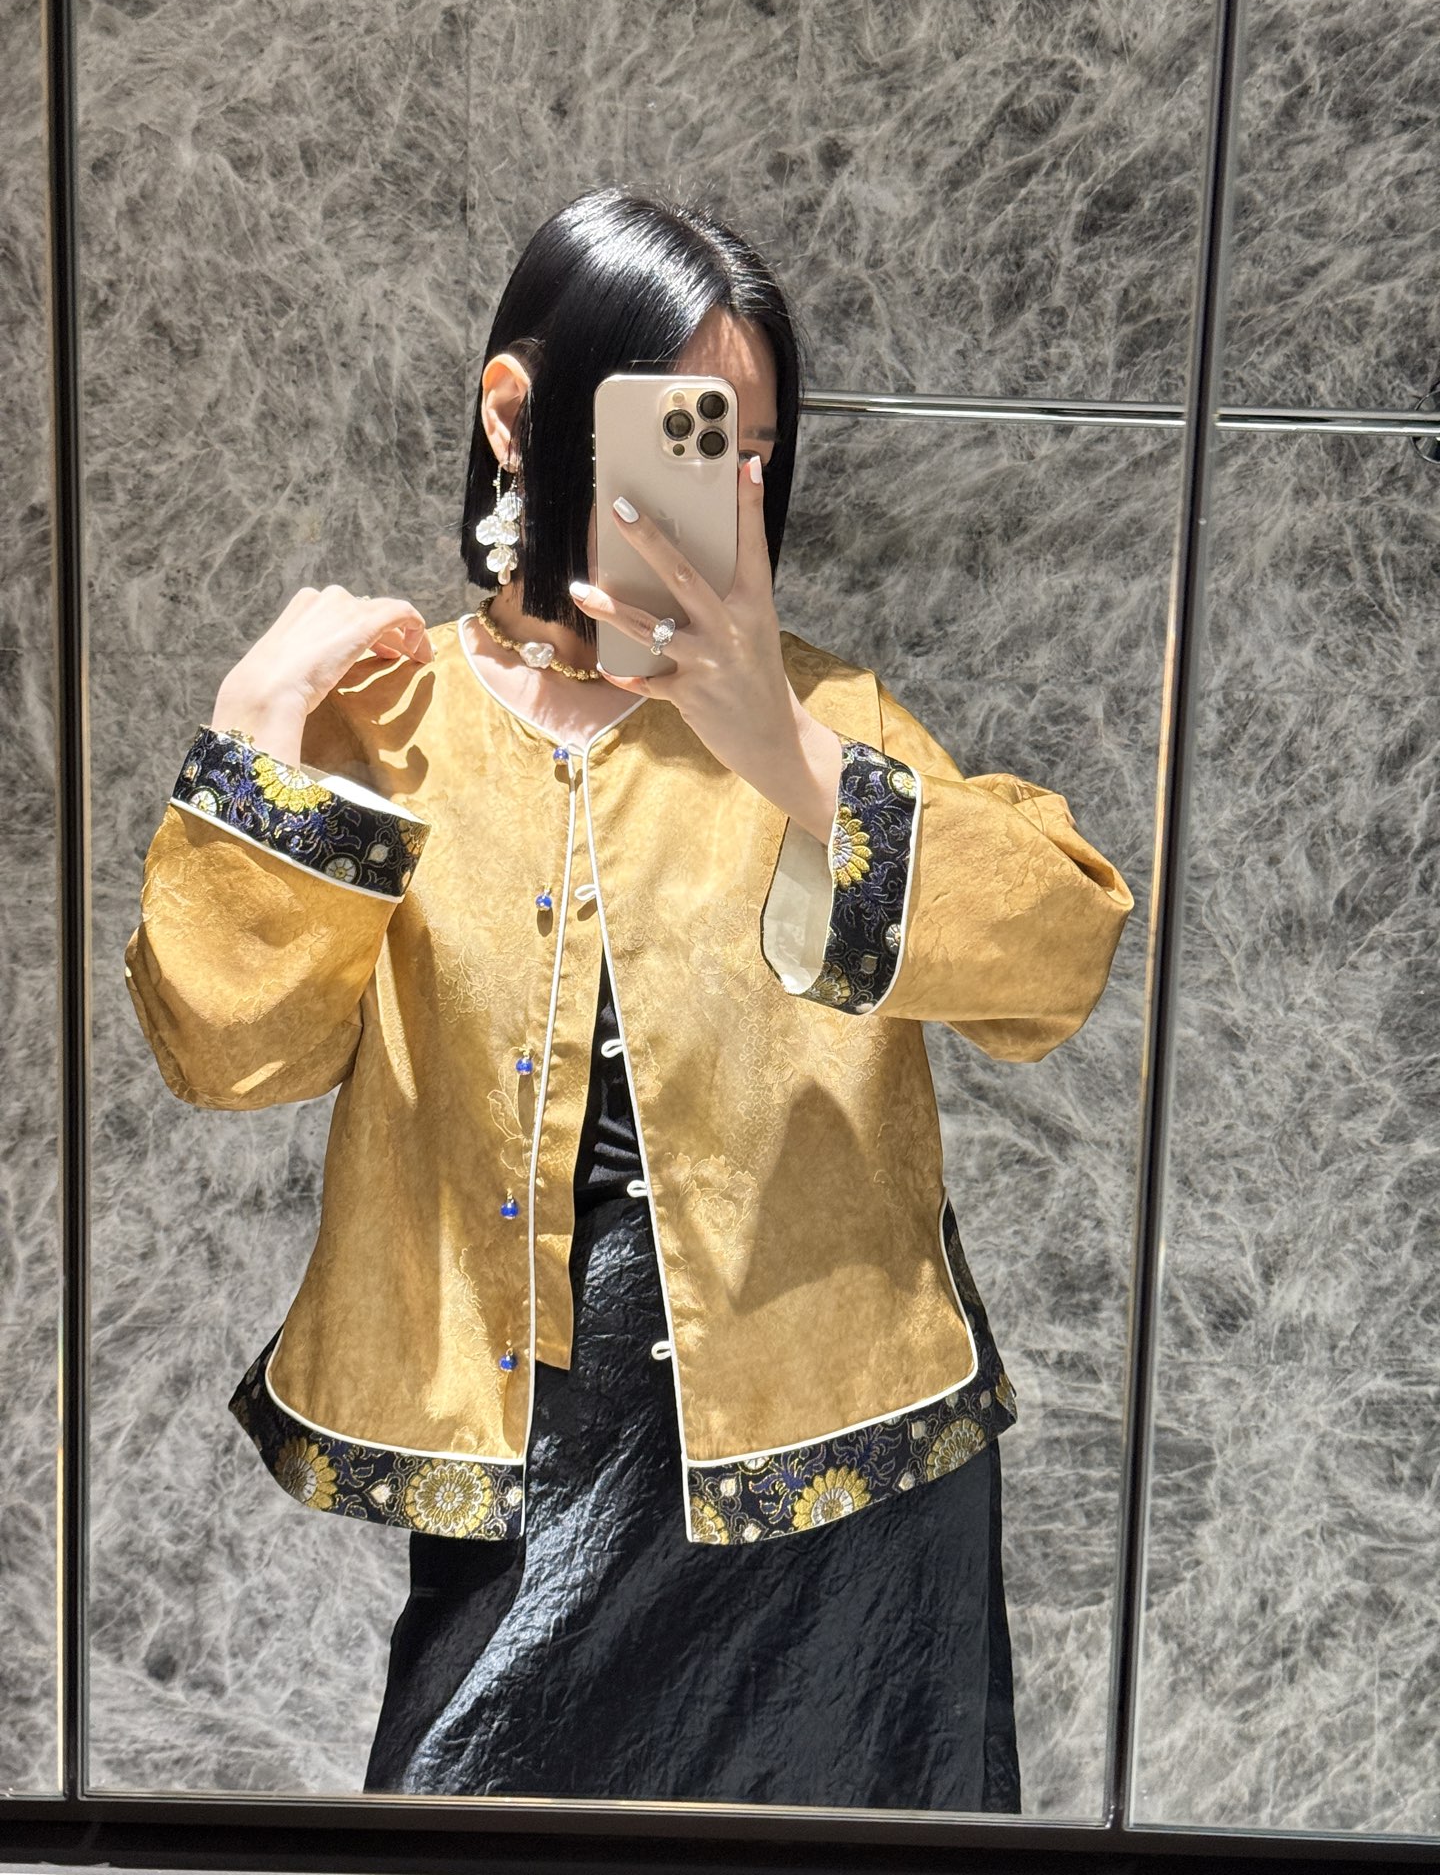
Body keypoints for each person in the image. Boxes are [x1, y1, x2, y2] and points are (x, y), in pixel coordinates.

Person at [124, 185, 1135, 1812]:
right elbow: (229, 1053)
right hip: (536, 1454)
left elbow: (1056, 961)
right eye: (682, 434)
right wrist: (253, 754)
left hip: (844, 1484)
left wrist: (786, 753)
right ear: (514, 414)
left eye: (748, 450)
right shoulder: (389, 718)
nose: (721, 488)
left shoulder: (820, 715)